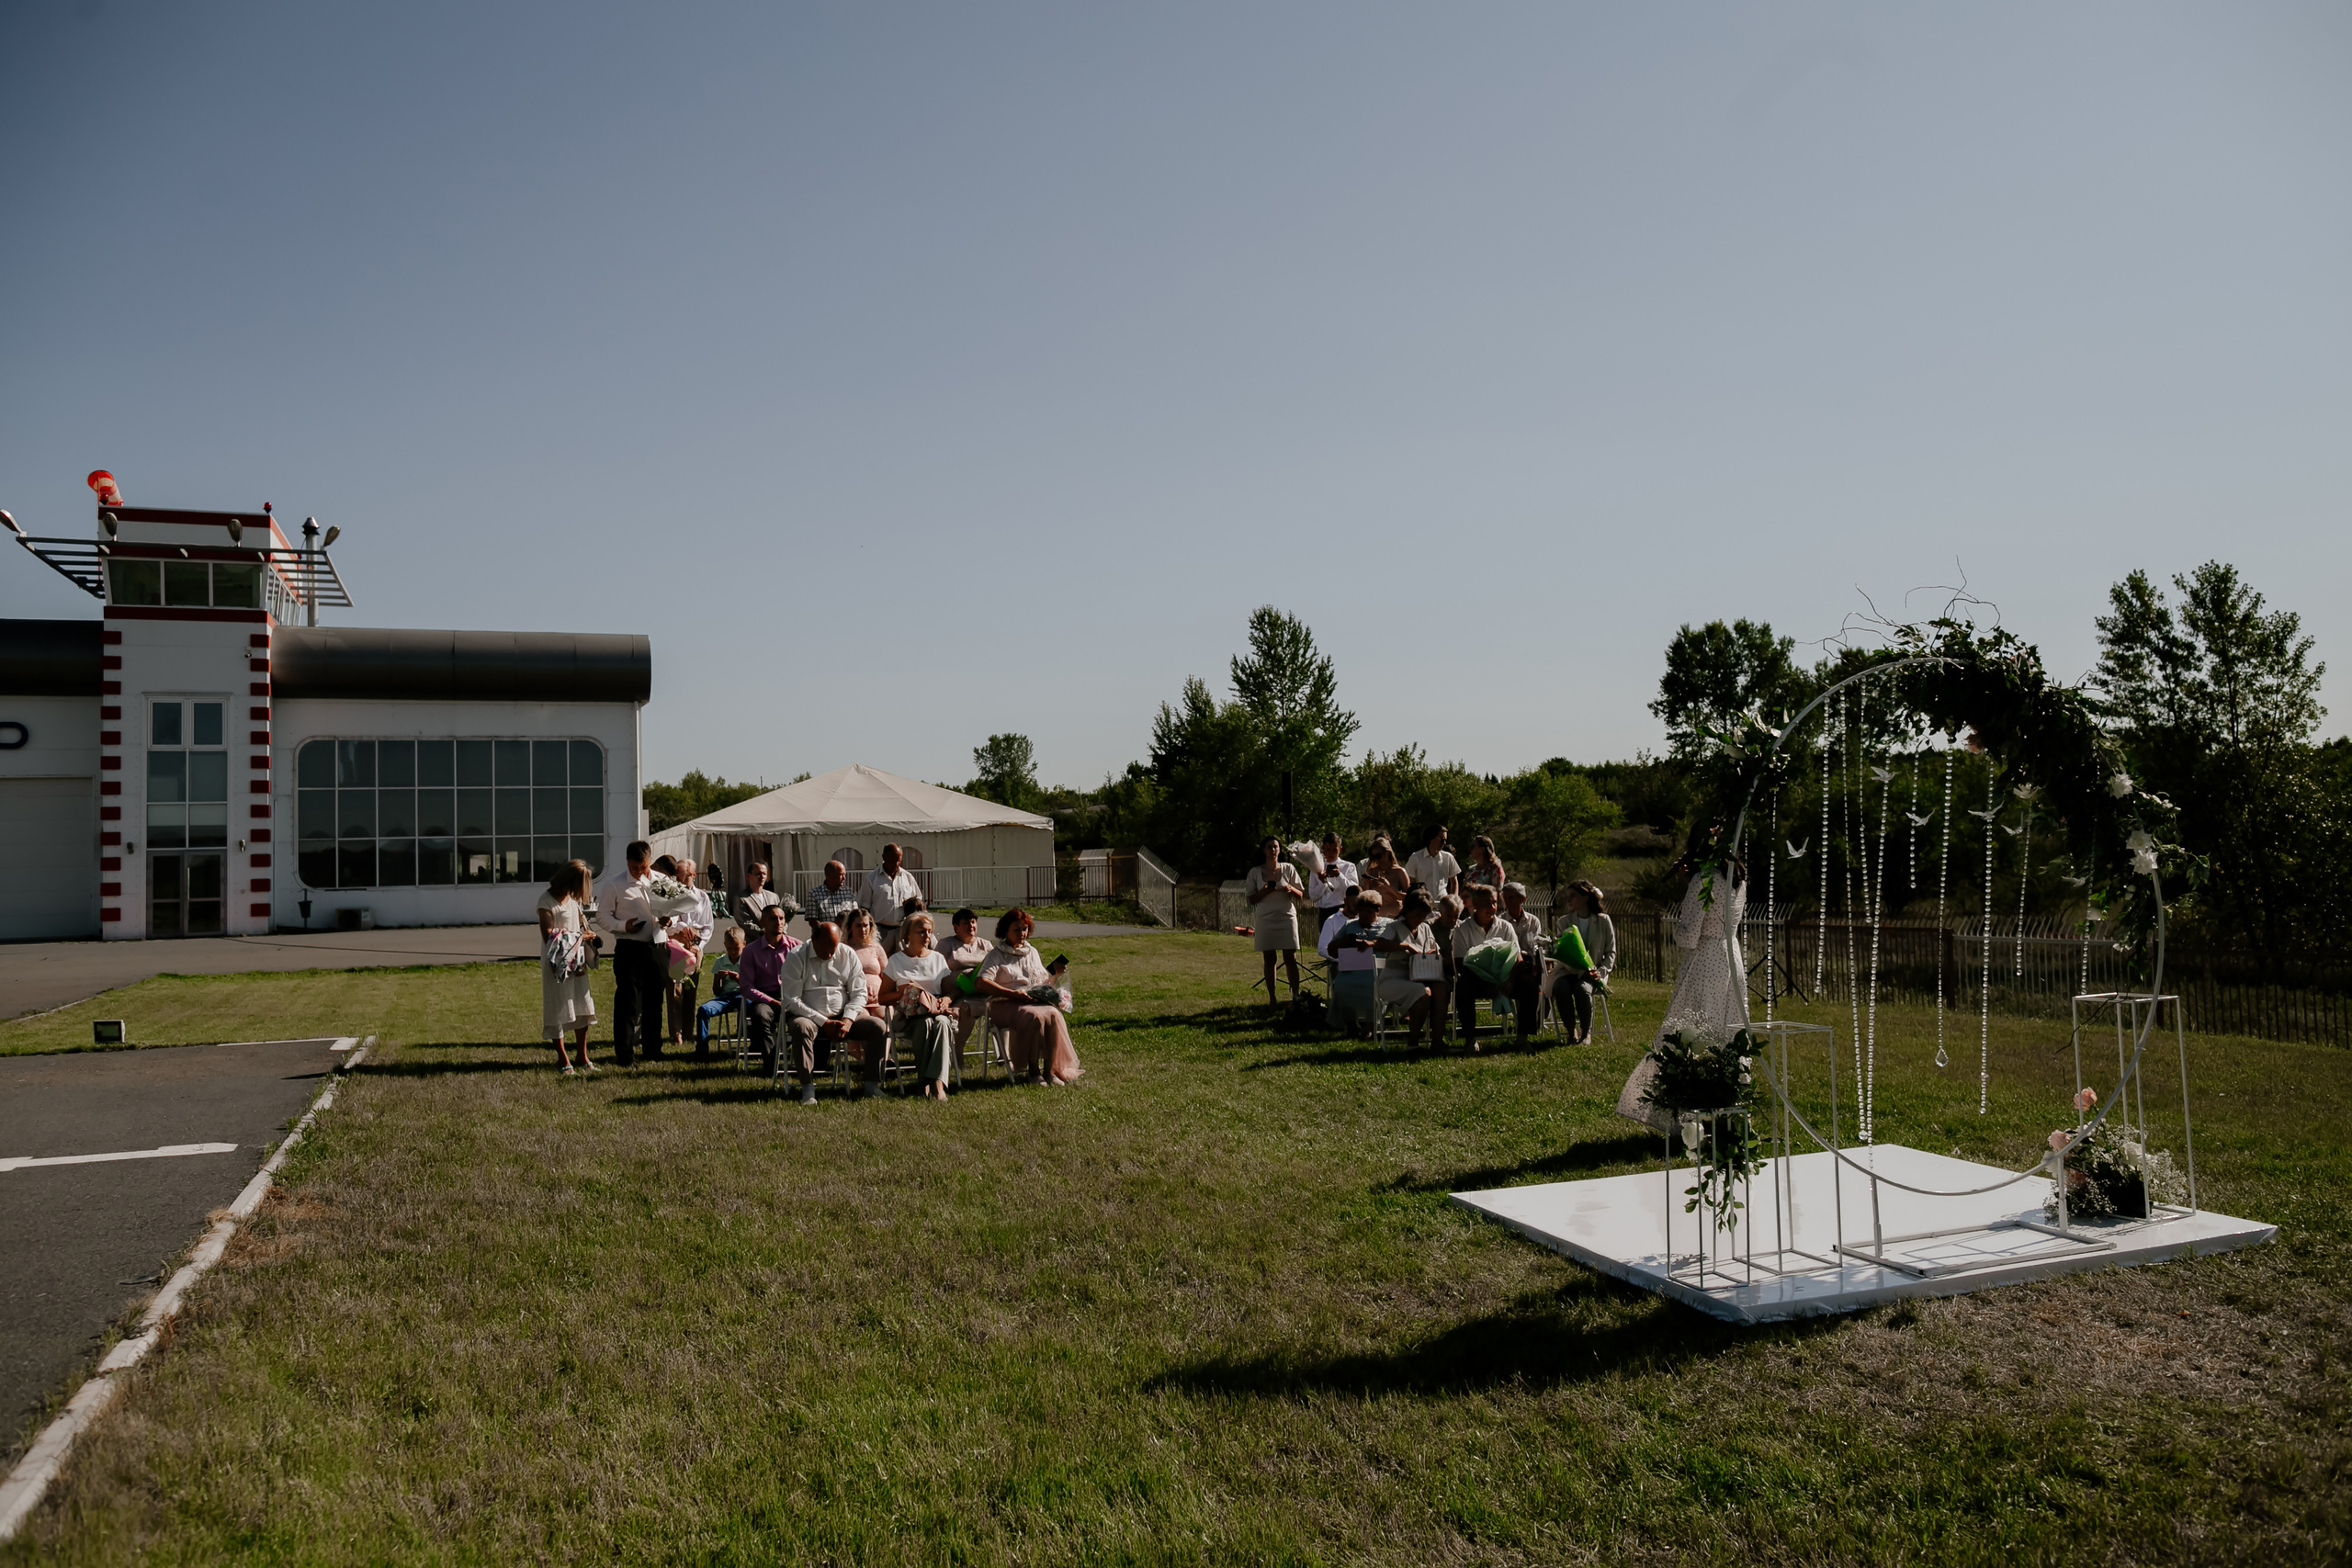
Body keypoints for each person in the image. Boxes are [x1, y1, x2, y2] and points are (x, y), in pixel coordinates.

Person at [1617, 830, 1748, 1134]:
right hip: (1732, 957)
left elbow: (1688, 935)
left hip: (1704, 962)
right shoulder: (1738, 878)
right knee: (1727, 1031)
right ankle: (1726, 1111)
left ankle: (1692, 1116)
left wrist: (1689, 886)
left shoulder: (1704, 880)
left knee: (1692, 1033)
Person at [780, 917, 890, 1103]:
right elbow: (791, 1000)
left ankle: (872, 1085)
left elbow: (859, 993)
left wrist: (847, 1019)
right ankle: (807, 1088)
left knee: (878, 1026)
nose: (830, 954)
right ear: (813, 940)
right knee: (800, 1027)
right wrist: (823, 1022)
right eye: (825, 950)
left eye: (834, 948)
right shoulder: (796, 956)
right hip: (808, 1015)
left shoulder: (847, 954)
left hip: (842, 1014)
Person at [978, 907, 1082, 1085]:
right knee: (1034, 1017)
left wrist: (1056, 975)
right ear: (1005, 931)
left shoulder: (1031, 951)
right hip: (1003, 1003)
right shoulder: (997, 954)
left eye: (1024, 929)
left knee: (1054, 1014)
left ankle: (1048, 1070)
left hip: (1030, 1000)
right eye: (1016, 930)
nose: (1022, 934)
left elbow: (1040, 981)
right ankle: (1033, 1071)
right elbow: (981, 982)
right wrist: (1012, 994)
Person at [597, 840, 666, 1065]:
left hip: (657, 946)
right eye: (635, 868)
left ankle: (653, 1050)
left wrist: (670, 919)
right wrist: (623, 926)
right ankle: (625, 1054)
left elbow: (676, 908)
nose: (640, 872)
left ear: (650, 861)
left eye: (644, 867)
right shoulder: (614, 884)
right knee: (628, 1003)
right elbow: (602, 916)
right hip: (630, 948)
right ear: (627, 862)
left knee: (654, 1002)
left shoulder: (662, 881)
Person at [882, 911, 958, 1099]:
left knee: (940, 1023)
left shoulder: (937, 959)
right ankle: (925, 1082)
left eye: (929, 932)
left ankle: (937, 1084)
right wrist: (902, 993)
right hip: (908, 1015)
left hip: (936, 1011)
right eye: (921, 932)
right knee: (925, 1024)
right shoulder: (896, 961)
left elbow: (952, 990)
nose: (927, 936)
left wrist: (946, 1000)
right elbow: (882, 997)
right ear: (908, 934)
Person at [536, 859, 600, 1074]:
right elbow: (548, 936)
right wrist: (581, 937)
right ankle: (563, 1058)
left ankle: (582, 1055)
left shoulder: (572, 899)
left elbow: (580, 924)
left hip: (577, 961)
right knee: (558, 1006)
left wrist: (588, 936)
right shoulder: (545, 901)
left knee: (582, 1004)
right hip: (557, 963)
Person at [1352, 889, 1439, 1046]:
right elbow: (1381, 944)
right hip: (1391, 980)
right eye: (1417, 915)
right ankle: (1413, 1041)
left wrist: (1430, 952)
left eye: (1424, 916)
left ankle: (1430, 1039)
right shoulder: (1395, 927)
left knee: (1434, 991)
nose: (1421, 919)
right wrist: (1406, 946)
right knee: (1423, 992)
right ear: (1408, 911)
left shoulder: (1425, 928)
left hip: (1419, 977)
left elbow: (1436, 949)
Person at [1244, 835, 1311, 1011]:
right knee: (1269, 958)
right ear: (1263, 850)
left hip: (1286, 917)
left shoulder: (1288, 868)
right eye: (1269, 847)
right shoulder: (1255, 872)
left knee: (1291, 957)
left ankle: (1295, 996)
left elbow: (1301, 894)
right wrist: (1265, 890)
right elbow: (1251, 899)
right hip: (1265, 918)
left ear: (1280, 850)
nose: (1273, 850)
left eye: (1275, 847)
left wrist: (1291, 889)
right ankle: (1272, 998)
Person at [1449, 885, 1520, 1051]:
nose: (1492, 908)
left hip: (1504, 979)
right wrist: (1485, 983)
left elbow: (1518, 958)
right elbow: (1460, 963)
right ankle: (1470, 1039)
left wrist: (1510, 980)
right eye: (1486, 904)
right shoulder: (1462, 929)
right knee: (1463, 988)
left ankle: (1523, 1037)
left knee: (1529, 986)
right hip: (1476, 980)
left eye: (1494, 903)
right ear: (1474, 905)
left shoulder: (1505, 927)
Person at [737, 903, 803, 1082]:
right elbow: (746, 987)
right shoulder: (751, 951)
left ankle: (809, 1065)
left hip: (792, 997)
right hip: (765, 999)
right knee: (760, 1015)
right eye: (773, 918)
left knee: (806, 1019)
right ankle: (771, 1065)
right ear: (762, 922)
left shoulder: (797, 947)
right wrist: (772, 1001)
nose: (779, 922)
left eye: (781, 918)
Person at [657, 857, 715, 1053]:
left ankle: (689, 1032)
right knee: (675, 989)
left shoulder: (702, 897)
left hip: (696, 943)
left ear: (693, 876)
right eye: (677, 878)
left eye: (682, 878)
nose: (679, 881)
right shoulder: (671, 893)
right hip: (676, 941)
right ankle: (677, 1033)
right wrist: (681, 927)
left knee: (691, 989)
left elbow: (708, 926)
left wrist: (699, 945)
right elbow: (670, 920)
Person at [1548, 880, 1616, 1044]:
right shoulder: (1563, 922)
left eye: (1573, 896)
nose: (1569, 900)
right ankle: (1571, 1032)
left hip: (1595, 972)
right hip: (1569, 970)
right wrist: (1581, 971)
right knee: (1561, 987)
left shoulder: (1603, 920)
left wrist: (1601, 971)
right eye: (1568, 896)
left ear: (1585, 898)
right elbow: (1564, 954)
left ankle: (1586, 1033)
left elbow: (1610, 951)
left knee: (1582, 989)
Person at [1322, 888, 1382, 1032]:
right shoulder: (1350, 925)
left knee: (1371, 987)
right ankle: (1350, 1025)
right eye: (1361, 911)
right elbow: (1331, 949)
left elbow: (1392, 944)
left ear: (1377, 910)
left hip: (1377, 971)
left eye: (1368, 912)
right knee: (1342, 985)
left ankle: (1370, 1027)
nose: (1364, 915)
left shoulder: (1387, 925)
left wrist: (1372, 943)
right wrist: (1346, 941)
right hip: (1352, 971)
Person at [941, 906, 992, 1059]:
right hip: (956, 993)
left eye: (973, 922)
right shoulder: (946, 944)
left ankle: (1004, 1055)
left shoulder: (986, 944)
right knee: (966, 1008)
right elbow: (936, 968)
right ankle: (958, 1053)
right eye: (966, 923)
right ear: (955, 927)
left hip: (983, 992)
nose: (971, 926)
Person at [1498, 882, 1545, 1043]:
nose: (1508, 901)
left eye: (1511, 898)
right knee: (1529, 984)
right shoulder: (1501, 921)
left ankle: (1539, 1018)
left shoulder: (1533, 921)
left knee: (1548, 981)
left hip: (1529, 962)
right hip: (1510, 964)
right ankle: (1527, 1029)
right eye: (1505, 898)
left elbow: (1536, 945)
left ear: (1522, 899)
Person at [860, 843, 923, 953]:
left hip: (903, 930)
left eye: (899, 860)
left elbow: (918, 902)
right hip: (880, 930)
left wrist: (910, 903)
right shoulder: (872, 879)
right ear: (884, 857)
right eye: (893, 860)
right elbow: (864, 908)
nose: (896, 863)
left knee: (903, 962)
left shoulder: (908, 878)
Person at [695, 925, 746, 1054]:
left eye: (736, 948)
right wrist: (718, 978)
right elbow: (716, 991)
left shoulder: (748, 960)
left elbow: (752, 986)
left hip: (743, 995)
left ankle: (755, 1044)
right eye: (729, 949)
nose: (733, 952)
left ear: (744, 945)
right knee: (703, 1010)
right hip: (725, 997)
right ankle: (702, 1050)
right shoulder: (720, 962)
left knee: (755, 1008)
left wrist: (739, 979)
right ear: (725, 945)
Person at [841, 908, 893, 1032]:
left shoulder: (876, 948)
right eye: (858, 926)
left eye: (866, 925)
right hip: (856, 1001)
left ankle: (883, 1052)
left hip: (877, 1000)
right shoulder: (844, 949)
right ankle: (866, 1052)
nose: (863, 930)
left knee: (884, 1019)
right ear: (850, 927)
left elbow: (887, 975)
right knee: (866, 1023)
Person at [1306, 831, 1360, 925]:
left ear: (1340, 849)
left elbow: (1354, 891)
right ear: (1323, 849)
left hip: (1343, 911)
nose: (1331, 853)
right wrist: (1323, 883)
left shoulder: (1348, 866)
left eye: (1334, 850)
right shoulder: (1316, 868)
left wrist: (1339, 876)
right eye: (1328, 850)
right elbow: (1313, 896)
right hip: (1324, 912)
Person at [1405, 824, 1462, 904]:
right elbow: (1411, 884)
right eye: (1441, 839)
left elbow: (1454, 882)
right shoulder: (1416, 858)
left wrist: (1453, 900)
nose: (1444, 843)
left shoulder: (1448, 857)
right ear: (1431, 838)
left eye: (1445, 840)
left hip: (1443, 904)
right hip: (1423, 904)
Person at [804, 859, 862, 933]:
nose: (844, 878)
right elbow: (812, 921)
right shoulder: (814, 894)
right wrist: (829, 931)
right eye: (841, 875)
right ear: (829, 875)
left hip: (846, 939)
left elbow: (855, 916)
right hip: (825, 939)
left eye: (845, 875)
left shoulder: (849, 892)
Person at [732, 861, 786, 940]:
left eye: (764, 874)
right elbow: (746, 924)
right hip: (755, 943)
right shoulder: (741, 898)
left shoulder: (773, 897)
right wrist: (766, 934)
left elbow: (783, 918)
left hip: (776, 943)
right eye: (758, 874)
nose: (762, 877)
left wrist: (782, 932)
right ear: (748, 876)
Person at [1358, 839, 1408, 918]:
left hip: (1395, 917)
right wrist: (1366, 883)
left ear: (1388, 852)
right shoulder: (1371, 872)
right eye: (1373, 857)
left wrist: (1389, 887)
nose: (1377, 860)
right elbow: (1366, 899)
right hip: (1375, 917)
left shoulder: (1399, 871)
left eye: (1379, 856)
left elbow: (1409, 898)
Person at [1463, 836, 1508, 902]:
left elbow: (1497, 891)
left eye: (1473, 847)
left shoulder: (1495, 868)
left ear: (1482, 850)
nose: (1470, 850)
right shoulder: (1471, 869)